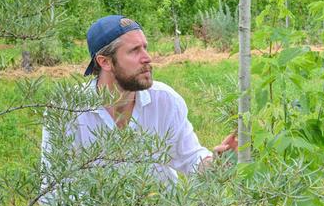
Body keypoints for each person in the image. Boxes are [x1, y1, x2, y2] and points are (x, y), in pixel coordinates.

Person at [41, 15, 236, 195]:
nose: (147, 58)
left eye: (145, 47)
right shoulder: (66, 111)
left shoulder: (165, 101)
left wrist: (215, 163)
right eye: (135, 50)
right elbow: (53, 188)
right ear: (105, 62)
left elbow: (191, 158)